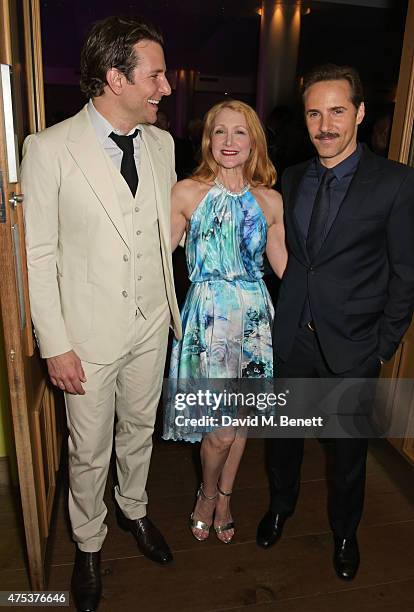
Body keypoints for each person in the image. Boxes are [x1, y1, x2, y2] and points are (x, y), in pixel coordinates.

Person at [21, 15, 181, 612]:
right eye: (156, 75)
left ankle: (134, 509)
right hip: (85, 335)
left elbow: (163, 229)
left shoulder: (162, 144)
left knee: (139, 428)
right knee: (88, 449)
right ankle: (88, 543)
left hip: (151, 324)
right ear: (116, 78)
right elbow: (36, 256)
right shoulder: (48, 148)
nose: (166, 87)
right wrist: (54, 342)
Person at [256, 64, 414, 581]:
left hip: (352, 348)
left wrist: (381, 346)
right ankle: (281, 506)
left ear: (361, 114)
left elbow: (405, 274)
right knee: (283, 441)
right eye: (315, 113)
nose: (325, 125)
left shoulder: (396, 184)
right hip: (291, 341)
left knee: (347, 456)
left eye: (338, 112)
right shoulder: (294, 176)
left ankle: (345, 533)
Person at [163, 100, 287, 544]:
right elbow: (155, 261)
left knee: (242, 421)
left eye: (240, 132)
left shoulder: (269, 200)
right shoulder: (186, 193)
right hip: (208, 317)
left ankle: (227, 497)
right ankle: (207, 492)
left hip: (254, 318)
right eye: (220, 132)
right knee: (218, 430)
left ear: (253, 140)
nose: (229, 141)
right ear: (208, 139)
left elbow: (287, 269)